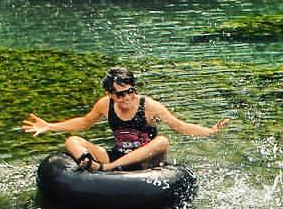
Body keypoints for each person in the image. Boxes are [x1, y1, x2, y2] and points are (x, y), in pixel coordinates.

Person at [22, 67, 230, 171]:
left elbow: (180, 126)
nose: (128, 98)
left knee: (163, 141)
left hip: (146, 163)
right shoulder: (104, 104)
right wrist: (49, 126)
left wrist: (209, 131)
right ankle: (89, 165)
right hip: (117, 156)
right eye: (121, 94)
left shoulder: (149, 106)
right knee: (72, 140)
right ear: (109, 94)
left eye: (131, 91)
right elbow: (84, 123)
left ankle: (104, 170)